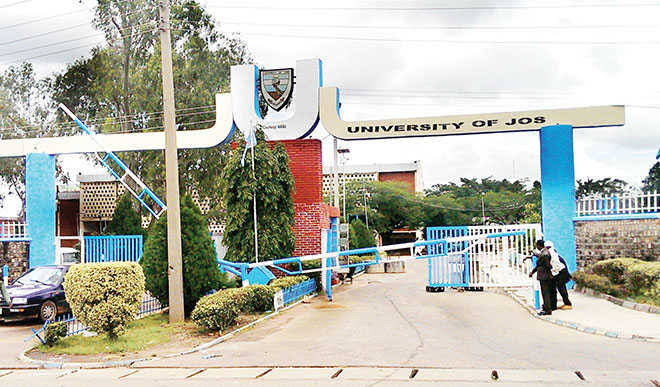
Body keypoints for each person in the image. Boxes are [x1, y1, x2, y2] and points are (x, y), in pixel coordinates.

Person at [529, 239, 555, 315]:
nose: (536, 247)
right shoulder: (544, 252)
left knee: (545, 293)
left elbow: (544, 264)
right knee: (546, 293)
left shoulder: (545, 253)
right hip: (545, 275)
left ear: (539, 245)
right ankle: (547, 307)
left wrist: (533, 272)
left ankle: (547, 310)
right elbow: (541, 260)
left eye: (537, 245)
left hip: (544, 276)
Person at [545, 241, 572, 310]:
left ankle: (568, 304)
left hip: (561, 273)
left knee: (561, 288)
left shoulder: (553, 254)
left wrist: (554, 274)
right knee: (559, 288)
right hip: (559, 273)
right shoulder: (552, 253)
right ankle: (563, 303)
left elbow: (556, 266)